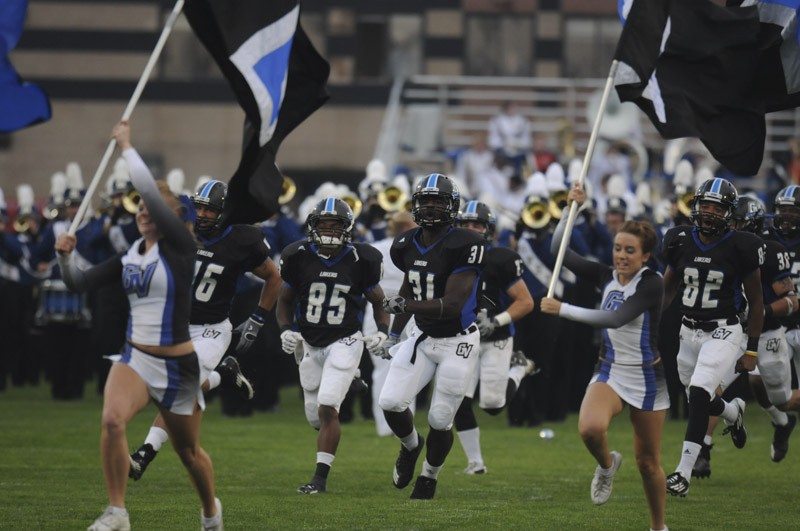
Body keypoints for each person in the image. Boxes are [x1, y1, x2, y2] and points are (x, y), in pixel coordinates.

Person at [56, 121, 222, 531]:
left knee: (189, 454)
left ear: (168, 216)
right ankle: (117, 511)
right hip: (134, 357)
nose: (144, 212)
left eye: (152, 208)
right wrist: (64, 257)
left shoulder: (183, 248)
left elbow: (150, 192)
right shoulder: (130, 254)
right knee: (112, 420)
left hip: (177, 365)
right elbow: (79, 281)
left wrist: (127, 148)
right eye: (142, 209)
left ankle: (210, 513)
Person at [127, 178, 282, 481]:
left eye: (210, 211)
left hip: (211, 329)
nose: (202, 215)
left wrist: (259, 318)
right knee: (163, 385)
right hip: (174, 325)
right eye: (199, 208)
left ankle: (144, 453)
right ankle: (224, 374)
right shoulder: (181, 228)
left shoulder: (242, 239)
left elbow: (273, 277)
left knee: (178, 389)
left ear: (225, 213)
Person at [541, 184, 669, 531]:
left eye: (630, 250)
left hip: (646, 376)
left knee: (648, 464)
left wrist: (563, 309)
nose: (621, 256)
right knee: (590, 430)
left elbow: (616, 318)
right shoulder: (604, 275)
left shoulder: (651, 284)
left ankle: (659, 526)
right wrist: (572, 209)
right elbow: (557, 250)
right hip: (610, 370)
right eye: (617, 248)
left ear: (645, 256)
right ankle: (607, 465)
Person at [378, 173, 485, 500]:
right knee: (391, 402)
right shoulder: (404, 243)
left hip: (459, 340)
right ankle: (411, 446)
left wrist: (403, 303)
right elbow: (413, 281)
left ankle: (429, 476)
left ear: (452, 206)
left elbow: (453, 304)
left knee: (440, 418)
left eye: (439, 201)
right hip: (422, 334)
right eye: (426, 201)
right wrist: (395, 333)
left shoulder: (467, 242)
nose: (432, 207)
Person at [276, 197, 390, 494]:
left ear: (346, 229)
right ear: (312, 227)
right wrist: (286, 329)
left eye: (335, 225)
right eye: (323, 225)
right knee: (315, 417)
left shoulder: (361, 259)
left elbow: (379, 302)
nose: (328, 231)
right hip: (311, 342)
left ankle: (319, 479)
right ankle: (350, 378)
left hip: (345, 339)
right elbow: (285, 300)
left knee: (328, 406)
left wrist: (383, 331)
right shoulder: (298, 256)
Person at [660, 177, 763, 498]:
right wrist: (651, 322)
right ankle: (733, 412)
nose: (708, 212)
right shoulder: (679, 240)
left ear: (728, 212)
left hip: (723, 329)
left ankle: (683, 472)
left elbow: (757, 302)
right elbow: (668, 287)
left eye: (716, 207)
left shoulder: (741, 246)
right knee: (697, 398)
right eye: (705, 204)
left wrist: (752, 350)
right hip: (687, 329)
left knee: (701, 392)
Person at [453, 200, 535, 474]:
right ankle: (475, 463)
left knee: (492, 405)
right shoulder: (450, 256)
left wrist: (497, 320)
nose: (471, 229)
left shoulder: (501, 258)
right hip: (463, 338)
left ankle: (519, 369)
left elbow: (525, 302)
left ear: (489, 230)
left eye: (477, 224)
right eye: (465, 224)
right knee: (458, 399)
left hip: (496, 338)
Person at [362, 210, 418, 437]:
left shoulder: (375, 248)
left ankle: (386, 427)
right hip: (405, 309)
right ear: (405, 228)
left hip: (379, 308)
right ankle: (403, 422)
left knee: (382, 369)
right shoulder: (414, 249)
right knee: (407, 367)